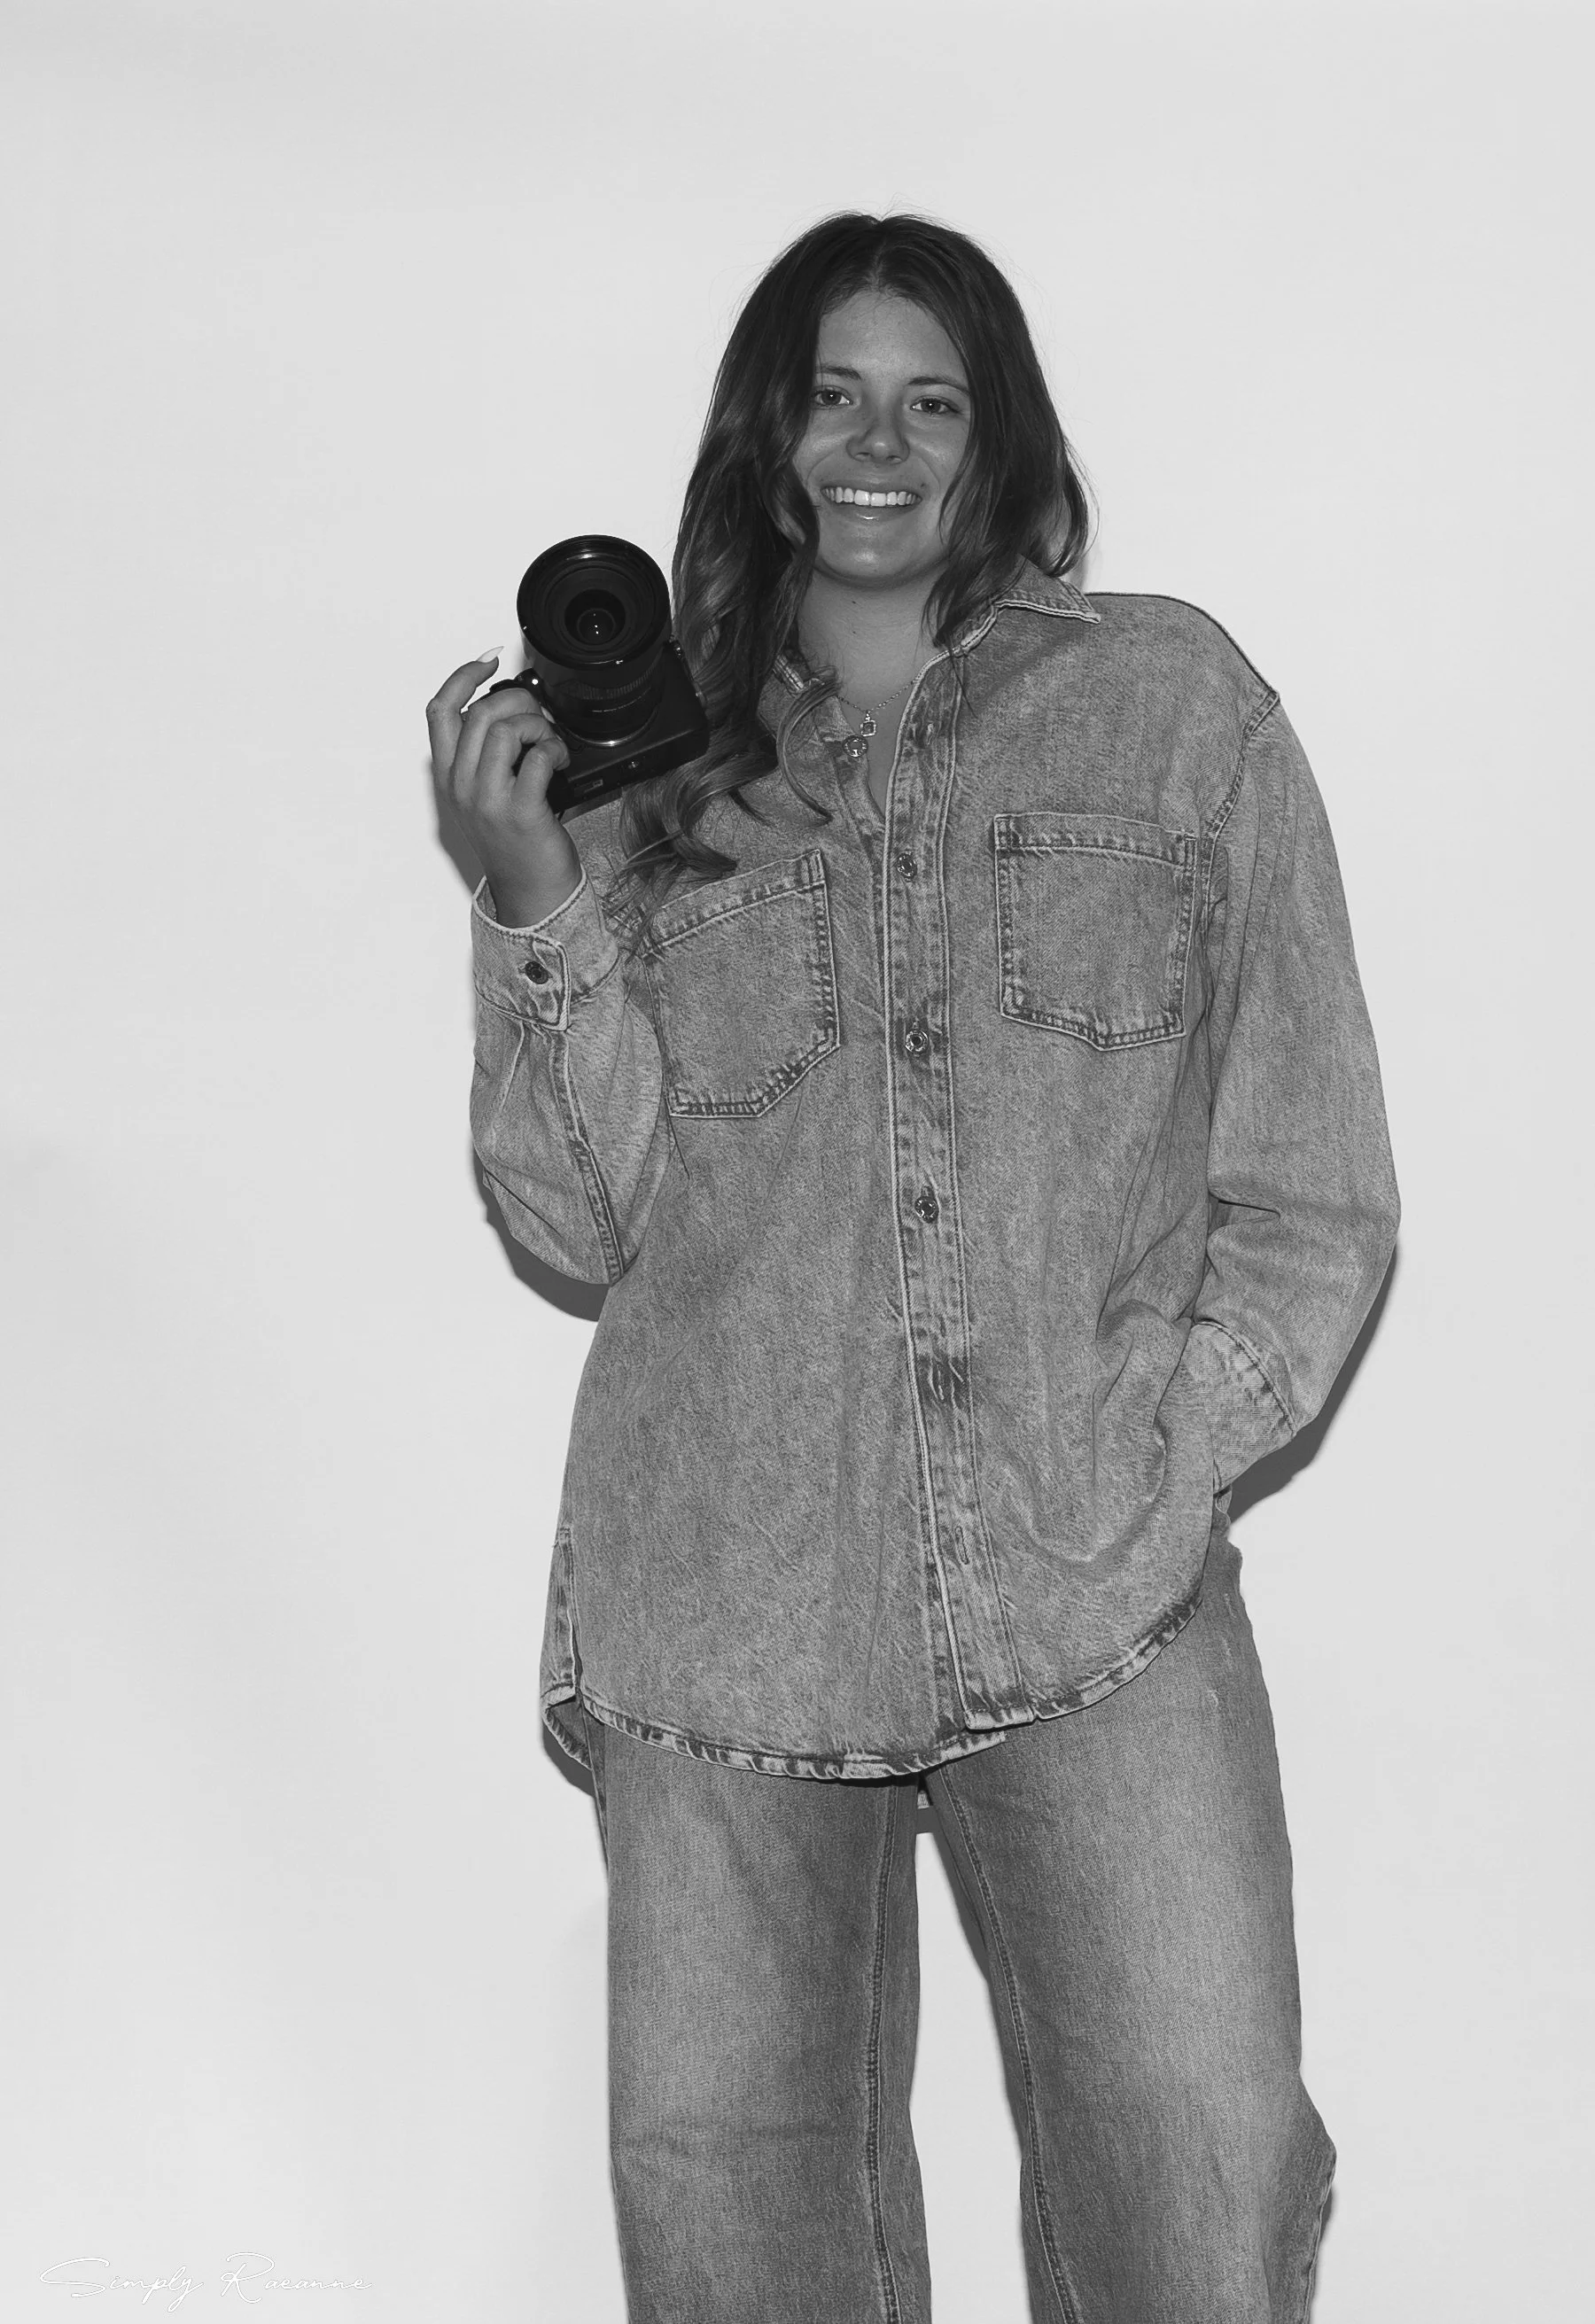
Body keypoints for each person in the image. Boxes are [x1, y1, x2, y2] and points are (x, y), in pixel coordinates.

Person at [426, 212, 1399, 2324]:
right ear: (765, 440)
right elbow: (576, 1219)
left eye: (929, 399)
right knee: (734, 2224)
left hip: (1090, 1582)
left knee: (1200, 2176)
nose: (876, 442)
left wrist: (1155, 1452)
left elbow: (1313, 1188)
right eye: (831, 394)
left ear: (996, 443)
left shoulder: (1167, 712)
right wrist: (528, 904)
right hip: (723, 1606)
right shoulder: (637, 792)